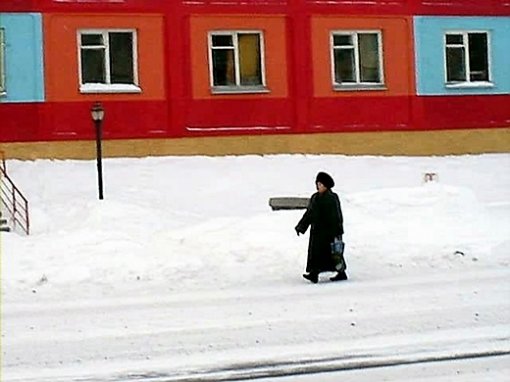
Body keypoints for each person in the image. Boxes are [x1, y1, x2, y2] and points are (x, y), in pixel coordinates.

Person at [295, 172, 346, 283]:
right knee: (316, 255)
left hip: (329, 233)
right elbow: (309, 214)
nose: (318, 186)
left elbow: (337, 216)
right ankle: (314, 274)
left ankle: (341, 273)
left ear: (326, 186)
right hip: (317, 232)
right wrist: (301, 227)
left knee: (334, 255)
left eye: (321, 184)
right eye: (317, 184)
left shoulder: (332, 198)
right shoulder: (315, 197)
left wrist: (337, 232)